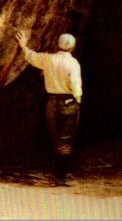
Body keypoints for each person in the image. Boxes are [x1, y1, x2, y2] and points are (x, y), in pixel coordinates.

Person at [16, 29, 82, 184]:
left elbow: (31, 57)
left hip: (51, 102)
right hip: (68, 102)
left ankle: (57, 174)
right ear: (73, 47)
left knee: (55, 139)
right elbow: (75, 85)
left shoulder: (47, 59)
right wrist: (78, 99)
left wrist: (23, 45)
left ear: (58, 44)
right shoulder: (73, 63)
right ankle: (62, 176)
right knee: (65, 140)